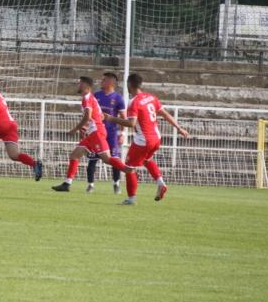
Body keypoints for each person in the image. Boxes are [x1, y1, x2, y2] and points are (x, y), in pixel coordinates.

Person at [106, 73, 190, 205]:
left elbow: (131, 123)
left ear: (129, 84)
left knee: (129, 167)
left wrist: (111, 118)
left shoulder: (134, 102)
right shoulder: (151, 97)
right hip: (156, 138)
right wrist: (179, 128)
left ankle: (131, 199)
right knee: (147, 159)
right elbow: (166, 114)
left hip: (143, 141)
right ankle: (161, 183)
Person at [52, 77, 132, 192]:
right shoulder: (91, 98)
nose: (78, 85)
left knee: (107, 159)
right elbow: (95, 116)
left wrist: (76, 129)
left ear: (86, 86)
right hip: (93, 132)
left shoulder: (87, 98)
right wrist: (85, 128)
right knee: (74, 155)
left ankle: (128, 170)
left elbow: (88, 116)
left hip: (97, 133)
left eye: (80, 83)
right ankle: (66, 184)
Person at [87, 72, 126, 193]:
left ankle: (116, 183)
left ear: (110, 82)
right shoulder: (96, 96)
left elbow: (123, 117)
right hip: (97, 133)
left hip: (112, 134)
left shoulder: (118, 98)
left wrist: (122, 133)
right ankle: (90, 185)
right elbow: (89, 113)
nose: (100, 81)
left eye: (103, 80)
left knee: (114, 159)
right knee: (92, 158)